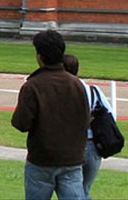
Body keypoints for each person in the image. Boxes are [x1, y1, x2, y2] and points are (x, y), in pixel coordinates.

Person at [11, 29, 90, 200]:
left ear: (40, 56)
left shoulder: (33, 86)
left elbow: (21, 123)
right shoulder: (77, 84)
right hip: (72, 159)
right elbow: (85, 119)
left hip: (42, 160)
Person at [62, 54, 111, 197]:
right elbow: (110, 116)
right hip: (92, 146)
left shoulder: (59, 91)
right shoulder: (92, 90)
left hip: (70, 146)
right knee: (83, 190)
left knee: (72, 191)